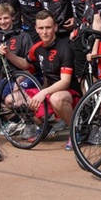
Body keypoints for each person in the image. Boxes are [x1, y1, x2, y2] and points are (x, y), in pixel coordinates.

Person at [25, 10, 81, 150]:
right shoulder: (36, 48)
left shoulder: (65, 48)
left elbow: (65, 82)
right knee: (16, 98)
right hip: (48, 91)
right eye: (41, 28)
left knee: (56, 98)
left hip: (68, 93)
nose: (45, 32)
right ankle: (44, 128)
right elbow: (25, 64)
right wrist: (7, 54)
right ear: (36, 29)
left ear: (55, 27)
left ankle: (75, 131)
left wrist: (43, 93)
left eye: (48, 27)